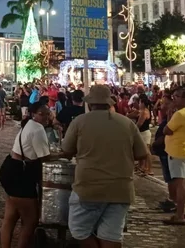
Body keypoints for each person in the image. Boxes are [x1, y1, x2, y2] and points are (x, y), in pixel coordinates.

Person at [60, 85, 148, 247]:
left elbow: (66, 151)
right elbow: (142, 154)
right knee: (112, 235)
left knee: (79, 231)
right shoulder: (126, 123)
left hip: (88, 187)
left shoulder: (80, 122)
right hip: (121, 187)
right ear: (109, 103)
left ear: (90, 104)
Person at [0, 102, 52, 248]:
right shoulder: (38, 128)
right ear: (33, 114)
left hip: (10, 168)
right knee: (30, 220)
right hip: (21, 175)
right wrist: (63, 154)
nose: (46, 117)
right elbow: (45, 157)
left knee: (11, 217)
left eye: (48, 113)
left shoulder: (29, 124)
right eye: (42, 114)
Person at [163, 87, 185, 226]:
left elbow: (167, 130)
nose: (174, 99)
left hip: (177, 151)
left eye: (177, 96)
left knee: (179, 184)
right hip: (184, 151)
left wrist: (170, 115)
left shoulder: (180, 114)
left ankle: (179, 215)